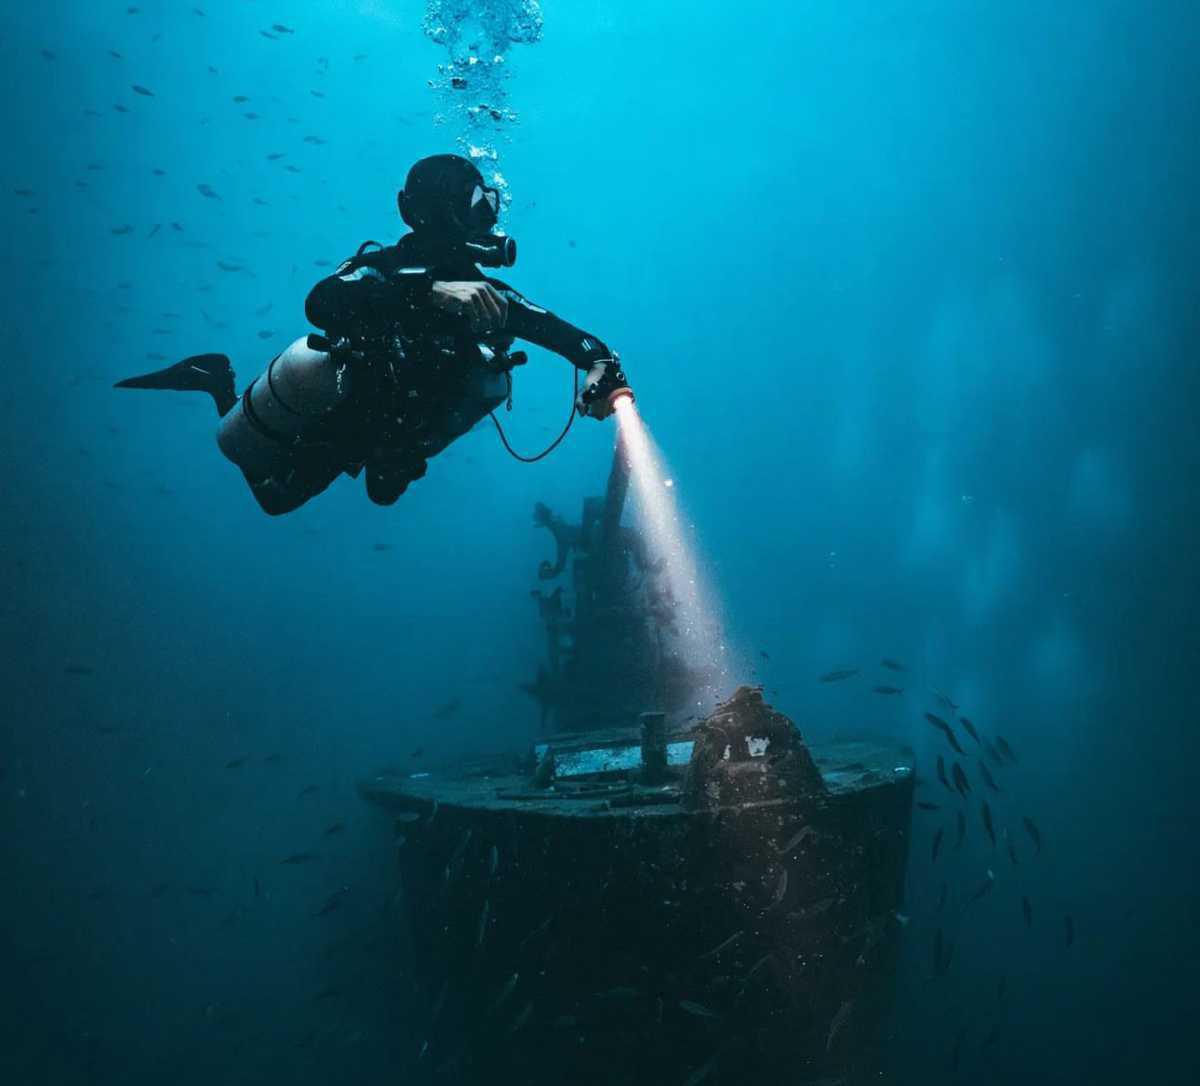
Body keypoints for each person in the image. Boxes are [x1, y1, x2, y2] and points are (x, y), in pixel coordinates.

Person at [116, 154, 631, 515]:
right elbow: (322, 302)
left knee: (378, 494)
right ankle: (217, 381)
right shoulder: (381, 268)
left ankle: (230, 391)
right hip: (352, 414)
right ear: (443, 213)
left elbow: (574, 339)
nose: (487, 221)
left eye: (487, 208)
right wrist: (428, 292)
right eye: (476, 208)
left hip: (406, 434)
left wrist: (601, 369)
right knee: (276, 499)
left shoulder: (488, 295)